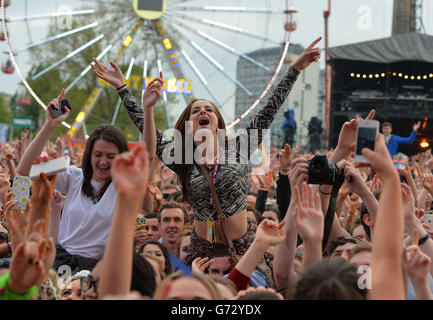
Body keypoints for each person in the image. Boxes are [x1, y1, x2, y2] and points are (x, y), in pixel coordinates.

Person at [91, 37, 322, 265]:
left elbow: (270, 108)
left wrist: (295, 68)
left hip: (242, 246)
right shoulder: (182, 157)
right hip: (202, 250)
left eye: (209, 109)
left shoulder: (239, 148)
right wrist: (124, 90)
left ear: (217, 122)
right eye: (196, 110)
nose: (203, 112)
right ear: (188, 125)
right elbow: (147, 130)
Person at [16, 91, 130, 274]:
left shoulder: (125, 188)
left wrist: (143, 105)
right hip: (61, 262)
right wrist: (49, 125)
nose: (102, 162)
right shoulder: (74, 176)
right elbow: (24, 171)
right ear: (89, 154)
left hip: (98, 269)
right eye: (98, 155)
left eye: (110, 156)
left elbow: (149, 156)